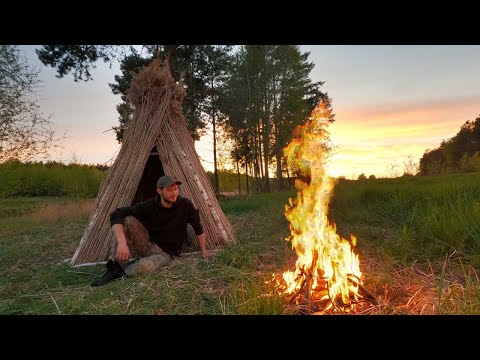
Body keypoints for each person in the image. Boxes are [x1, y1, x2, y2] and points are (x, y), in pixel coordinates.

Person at [91, 175, 212, 287]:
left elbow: (198, 227)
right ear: (159, 191)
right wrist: (122, 243)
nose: (174, 193)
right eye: (169, 190)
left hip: (165, 253)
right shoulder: (150, 205)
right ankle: (114, 268)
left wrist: (204, 251)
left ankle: (122, 270)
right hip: (148, 244)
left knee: (144, 267)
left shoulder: (185, 205)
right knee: (127, 219)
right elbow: (117, 214)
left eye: (176, 189)